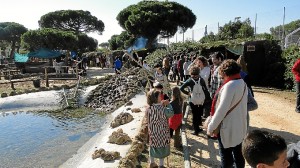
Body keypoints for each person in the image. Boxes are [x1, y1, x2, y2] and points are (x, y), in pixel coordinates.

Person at [207, 59, 248, 168]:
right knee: (239, 154)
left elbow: (221, 110)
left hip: (228, 127)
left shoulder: (229, 86)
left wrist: (211, 127)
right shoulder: (242, 83)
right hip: (240, 126)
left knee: (226, 157)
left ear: (224, 72)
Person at [146, 89, 174, 168]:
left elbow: (154, 109)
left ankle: (152, 163)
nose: (161, 97)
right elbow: (171, 113)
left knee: (153, 146)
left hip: (153, 131)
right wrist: (168, 104)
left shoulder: (148, 109)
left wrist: (161, 104)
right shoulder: (163, 109)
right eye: (159, 96)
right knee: (162, 147)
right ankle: (161, 165)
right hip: (162, 132)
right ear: (156, 98)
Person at [180, 66, 210, 135]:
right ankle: (199, 128)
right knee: (199, 114)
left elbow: (181, 88)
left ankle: (196, 130)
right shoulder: (201, 80)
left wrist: (188, 93)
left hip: (193, 100)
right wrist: (207, 98)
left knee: (195, 115)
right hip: (201, 100)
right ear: (198, 72)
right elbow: (205, 89)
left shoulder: (190, 80)